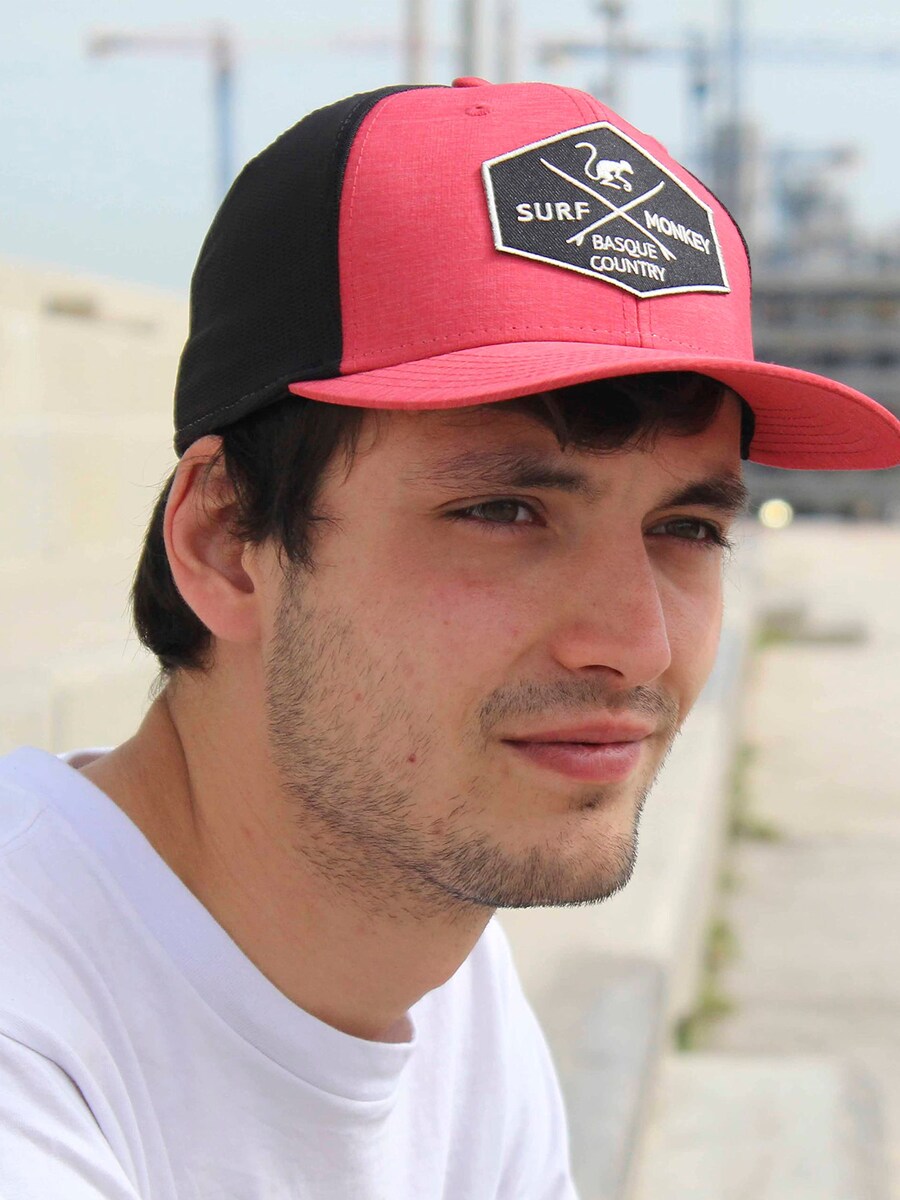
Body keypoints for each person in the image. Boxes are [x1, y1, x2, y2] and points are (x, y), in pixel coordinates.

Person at [1, 79, 898, 1200]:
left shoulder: (446, 974)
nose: (637, 645)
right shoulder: (33, 1042)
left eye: (687, 528)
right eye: (505, 512)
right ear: (226, 540)